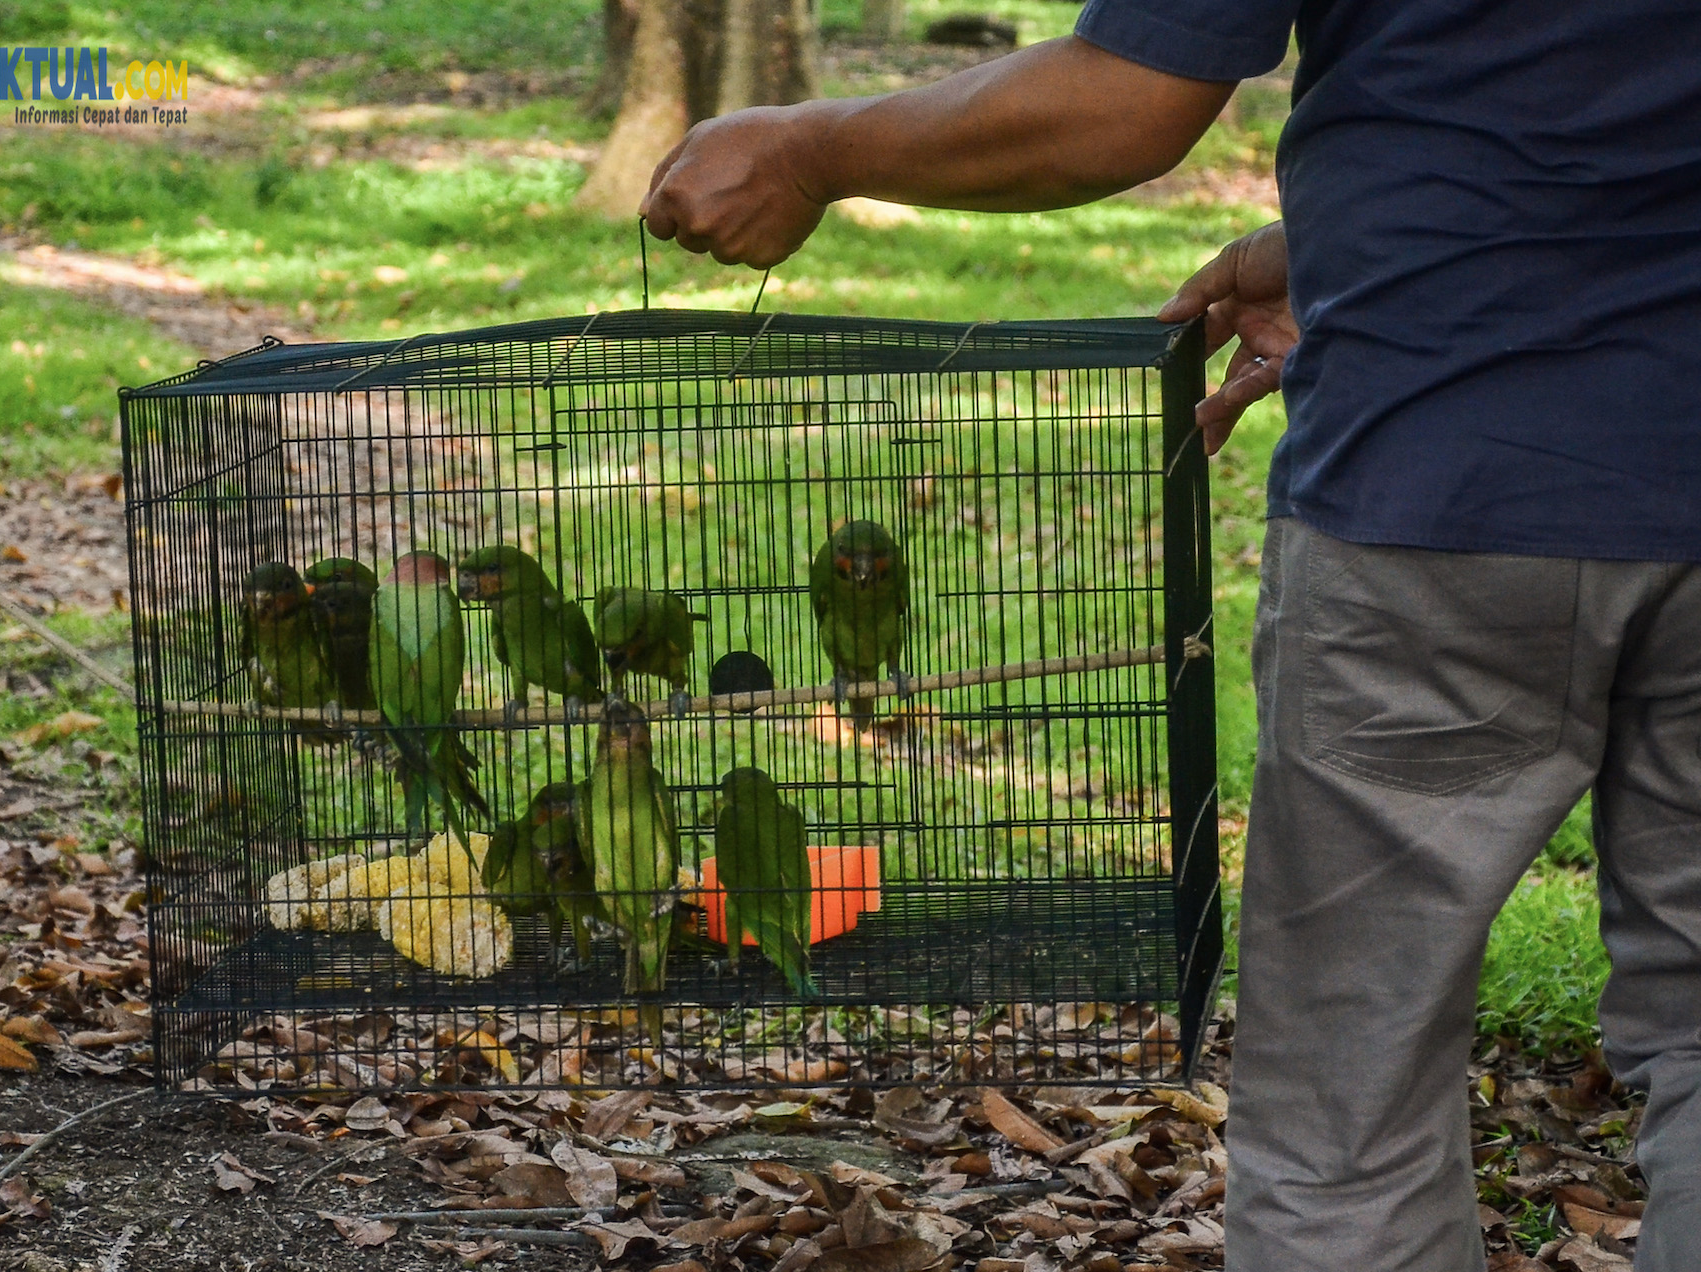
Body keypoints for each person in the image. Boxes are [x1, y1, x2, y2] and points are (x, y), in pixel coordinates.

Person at [640, 5, 1701, 1270]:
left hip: (1442, 485)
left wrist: (810, 149)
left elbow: (1126, 102)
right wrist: (1356, 242)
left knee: (1345, 1111)